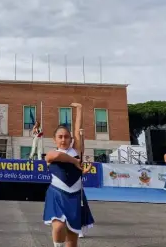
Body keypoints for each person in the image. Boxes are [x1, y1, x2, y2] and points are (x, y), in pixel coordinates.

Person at [43, 103, 94, 247]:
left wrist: (79, 109)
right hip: (57, 194)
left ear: (71, 139)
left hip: (76, 195)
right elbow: (59, 156)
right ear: (55, 139)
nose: (63, 139)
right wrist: (75, 162)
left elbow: (78, 130)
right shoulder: (51, 154)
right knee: (58, 227)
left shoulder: (76, 150)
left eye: (66, 137)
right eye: (60, 137)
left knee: (72, 238)